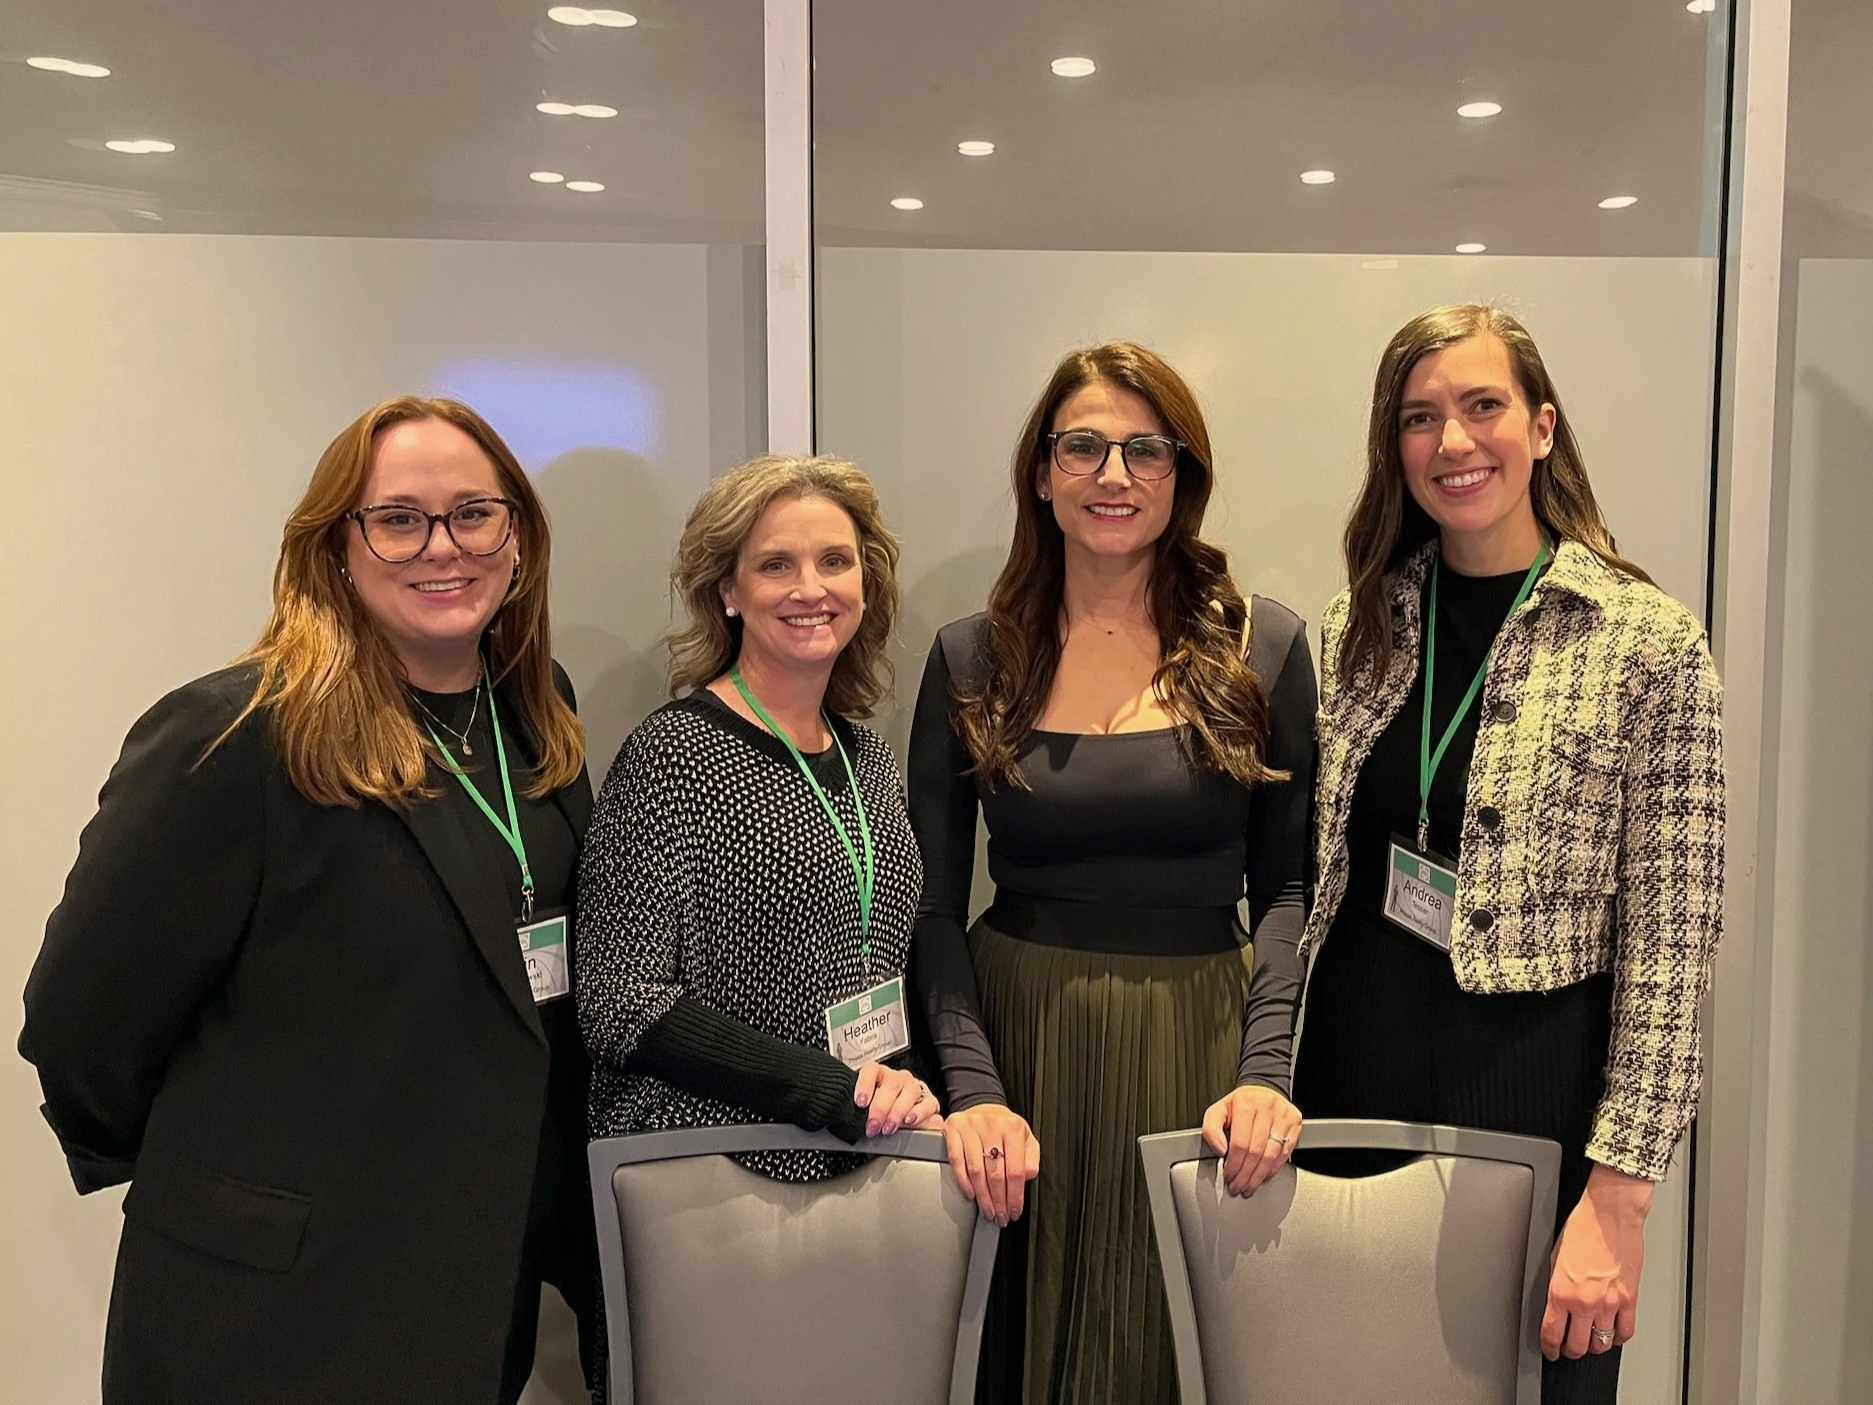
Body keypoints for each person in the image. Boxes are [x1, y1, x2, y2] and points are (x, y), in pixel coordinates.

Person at [20, 396, 599, 1404]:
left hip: (465, 1282)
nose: (441, 546)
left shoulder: (534, 711)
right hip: (270, 1310)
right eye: (398, 517)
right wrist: (235, 1182)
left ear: (517, 537)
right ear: (336, 547)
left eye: (473, 513)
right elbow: (81, 1021)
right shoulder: (236, 733)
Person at [1293, 303, 1725, 1403]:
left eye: (1481, 406)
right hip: (1349, 1081)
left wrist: (1618, 1198)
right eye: (1418, 417)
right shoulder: (1361, 622)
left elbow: (1673, 953)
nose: (1452, 442)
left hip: (1533, 1090)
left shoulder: (1644, 639)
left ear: (1540, 427)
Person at [909, 342, 1317, 1404]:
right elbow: (933, 906)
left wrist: (1265, 1071)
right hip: (1020, 1045)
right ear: (1040, 473)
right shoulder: (970, 657)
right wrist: (973, 1091)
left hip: (1200, 1044)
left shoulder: (1260, 647)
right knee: (1010, 1349)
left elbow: (1285, 891)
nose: (1113, 474)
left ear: (1182, 475)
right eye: (1083, 446)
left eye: (1145, 449)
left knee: (1167, 1350)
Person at [576, 454, 936, 1192]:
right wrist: (829, 1091)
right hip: (708, 1175)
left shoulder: (866, 758)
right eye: (776, 564)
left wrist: (895, 1089)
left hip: (858, 1155)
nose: (811, 588)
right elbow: (619, 1000)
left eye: (834, 560)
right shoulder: (673, 753)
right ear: (728, 591)